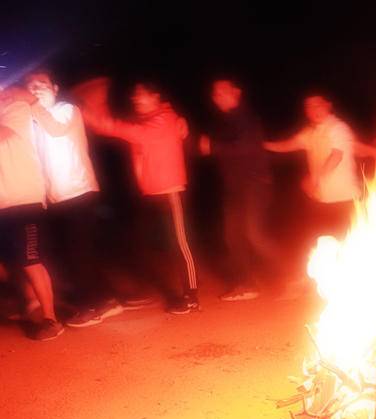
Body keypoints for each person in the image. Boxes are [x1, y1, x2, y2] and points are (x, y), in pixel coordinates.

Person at [79, 79, 199, 314]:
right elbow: (118, 126)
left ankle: (192, 296)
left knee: (181, 244)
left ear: (155, 97)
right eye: (134, 95)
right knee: (153, 244)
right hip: (152, 192)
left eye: (141, 95)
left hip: (170, 191)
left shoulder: (163, 120)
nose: (135, 99)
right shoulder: (152, 119)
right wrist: (98, 110)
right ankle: (164, 290)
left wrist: (92, 109)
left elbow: (121, 129)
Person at [24, 70, 123, 327]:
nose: (35, 89)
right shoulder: (33, 120)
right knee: (75, 252)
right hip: (56, 197)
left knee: (80, 252)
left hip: (79, 190)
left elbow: (55, 130)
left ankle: (94, 305)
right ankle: (106, 299)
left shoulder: (67, 110)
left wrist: (32, 104)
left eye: (42, 84)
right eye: (31, 86)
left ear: (55, 88)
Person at [201, 78, 283, 301]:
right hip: (234, 186)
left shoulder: (246, 117)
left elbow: (246, 146)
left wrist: (213, 146)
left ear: (236, 92)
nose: (218, 97)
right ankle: (246, 284)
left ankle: (292, 274)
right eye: (215, 94)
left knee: (255, 235)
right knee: (233, 236)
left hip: (254, 184)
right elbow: (208, 147)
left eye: (223, 92)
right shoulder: (223, 120)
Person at [0, 86, 63, 339]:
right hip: (3, 202)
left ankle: (50, 319)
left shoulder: (16, 107)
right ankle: (28, 302)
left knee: (30, 260)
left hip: (23, 200)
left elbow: (3, 134)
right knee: (7, 262)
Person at [264, 93, 361, 247]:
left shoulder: (339, 128)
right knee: (325, 246)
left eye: (318, 105)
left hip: (344, 198)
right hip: (321, 198)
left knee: (347, 246)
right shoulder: (310, 131)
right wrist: (264, 145)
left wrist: (315, 179)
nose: (313, 109)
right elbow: (288, 145)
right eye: (308, 106)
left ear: (328, 106)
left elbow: (336, 156)